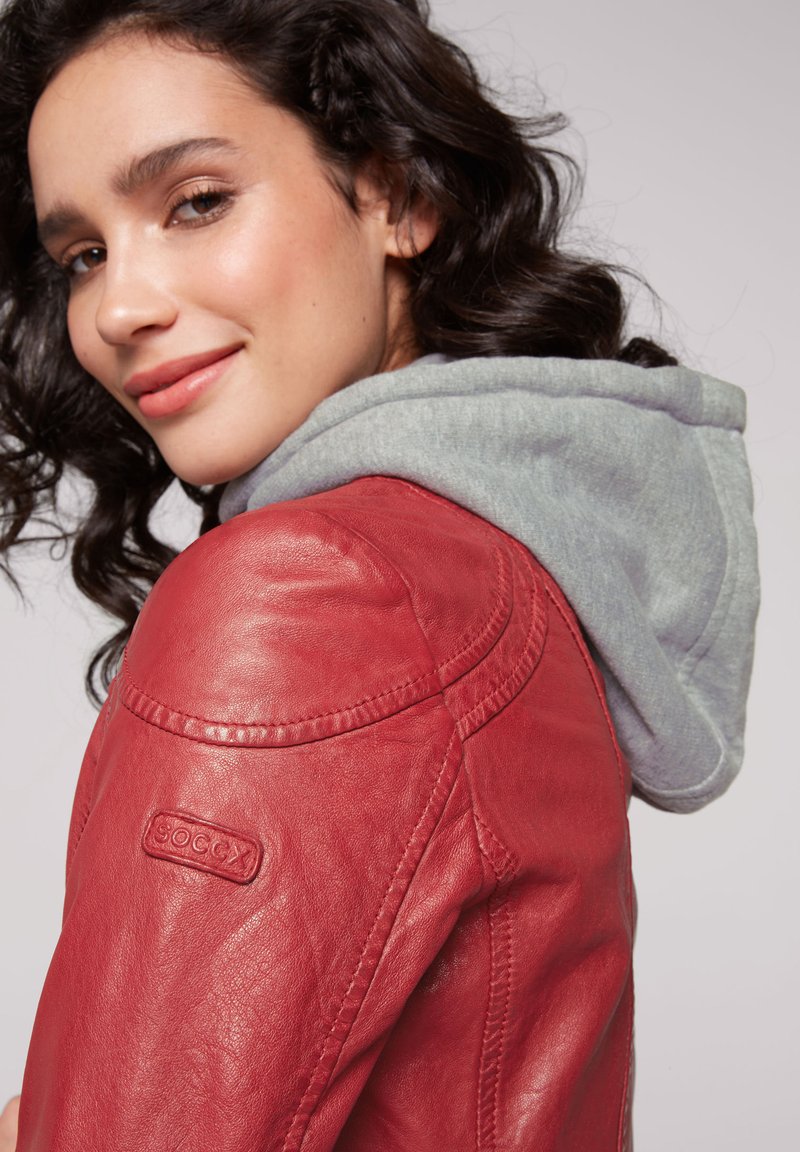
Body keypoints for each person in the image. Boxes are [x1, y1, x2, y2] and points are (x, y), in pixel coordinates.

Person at [0, 0, 759, 1147]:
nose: (118, 307)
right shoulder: (495, 559)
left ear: (398, 197)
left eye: (196, 202)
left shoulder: (317, 589)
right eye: (84, 255)